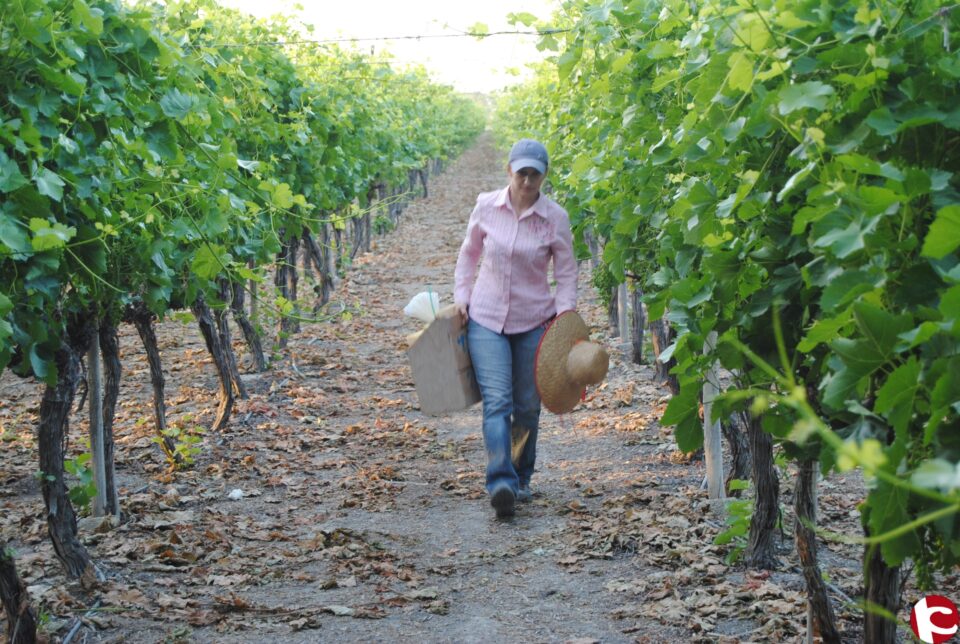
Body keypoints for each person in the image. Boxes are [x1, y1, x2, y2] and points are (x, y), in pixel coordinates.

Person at [453, 138, 578, 519]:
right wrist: (461, 296)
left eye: (534, 174)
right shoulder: (486, 206)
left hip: (534, 322)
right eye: (521, 172)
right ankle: (500, 482)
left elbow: (567, 272)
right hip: (486, 319)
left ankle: (521, 477)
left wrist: (565, 318)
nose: (527, 181)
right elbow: (468, 254)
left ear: (544, 176)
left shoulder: (554, 218)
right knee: (497, 402)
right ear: (509, 170)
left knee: (526, 407)